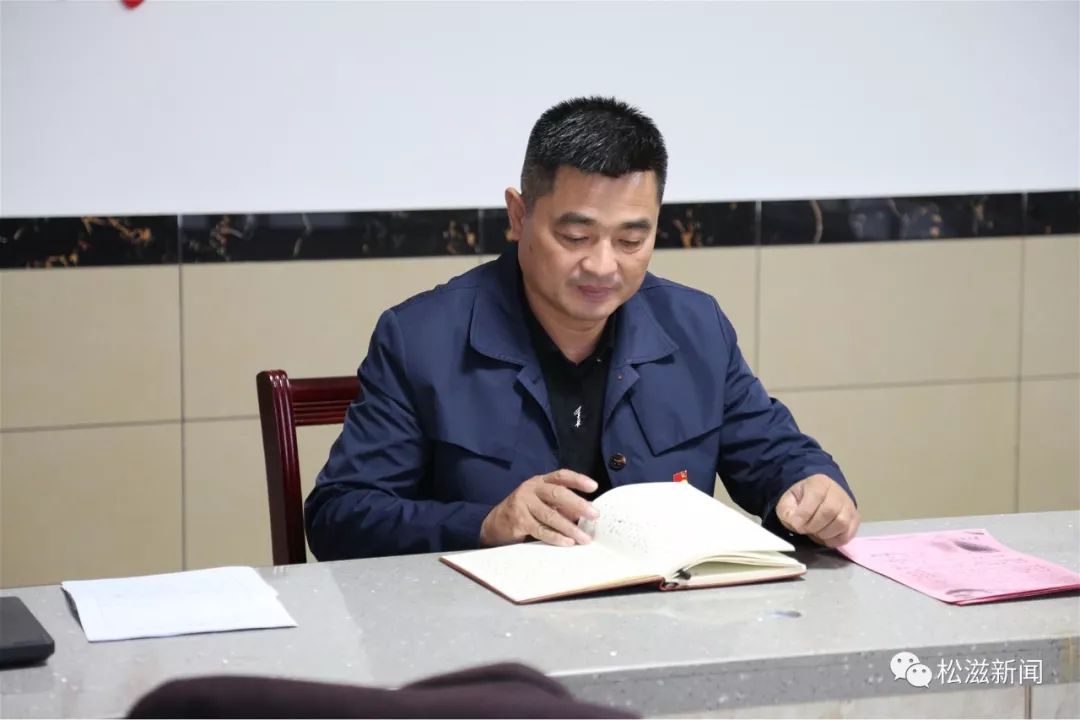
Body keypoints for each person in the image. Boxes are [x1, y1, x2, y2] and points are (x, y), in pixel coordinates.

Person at [305, 96, 859, 560]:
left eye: (631, 240)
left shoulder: (696, 327)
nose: (602, 266)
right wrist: (486, 524)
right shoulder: (421, 338)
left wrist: (813, 488)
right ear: (519, 215)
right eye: (575, 237)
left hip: (662, 629)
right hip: (486, 636)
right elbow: (340, 516)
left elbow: (777, 456)